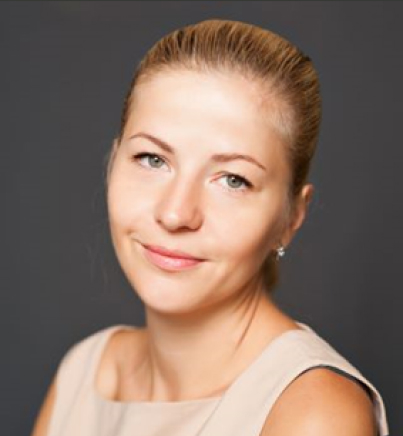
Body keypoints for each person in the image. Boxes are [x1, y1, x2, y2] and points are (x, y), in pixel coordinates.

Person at [31, 19, 388, 436]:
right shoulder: (84, 373)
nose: (175, 214)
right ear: (113, 164)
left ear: (291, 217)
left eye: (233, 180)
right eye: (152, 159)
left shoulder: (315, 413)